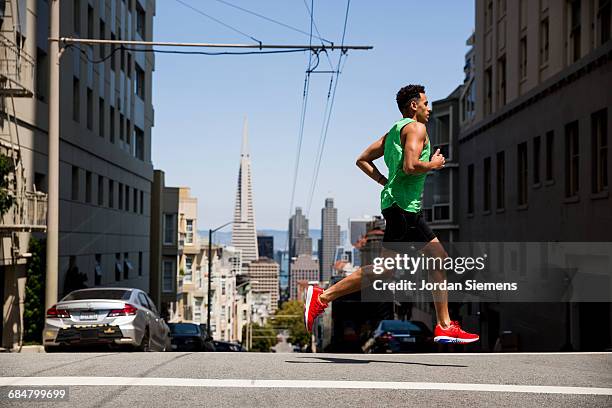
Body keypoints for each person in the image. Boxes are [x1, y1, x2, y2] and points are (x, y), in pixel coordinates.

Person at [303, 84, 479, 344]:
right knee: (384, 270)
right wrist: (434, 163)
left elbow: (362, 159)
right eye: (426, 103)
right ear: (413, 106)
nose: (429, 109)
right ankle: (322, 297)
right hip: (403, 208)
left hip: (401, 206)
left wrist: (385, 181)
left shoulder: (392, 133)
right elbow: (410, 166)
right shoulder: (417, 128)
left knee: (437, 258)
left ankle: (444, 325)